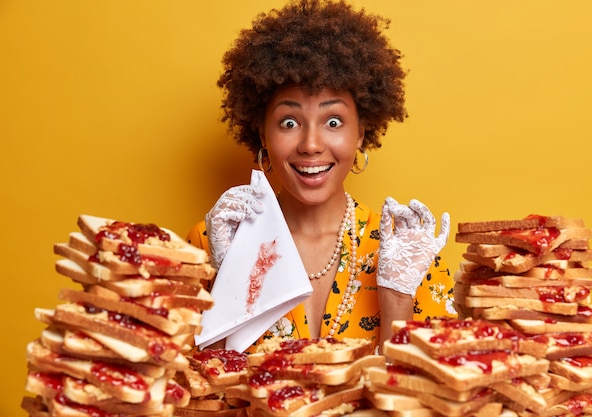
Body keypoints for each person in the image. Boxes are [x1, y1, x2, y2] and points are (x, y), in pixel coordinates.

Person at [187, 0, 456, 352]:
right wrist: (227, 278)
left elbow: (426, 396)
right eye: (289, 122)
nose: (311, 144)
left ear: (361, 132)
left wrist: (397, 298)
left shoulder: (408, 254)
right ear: (262, 134)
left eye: (333, 122)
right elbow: (190, 392)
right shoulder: (212, 242)